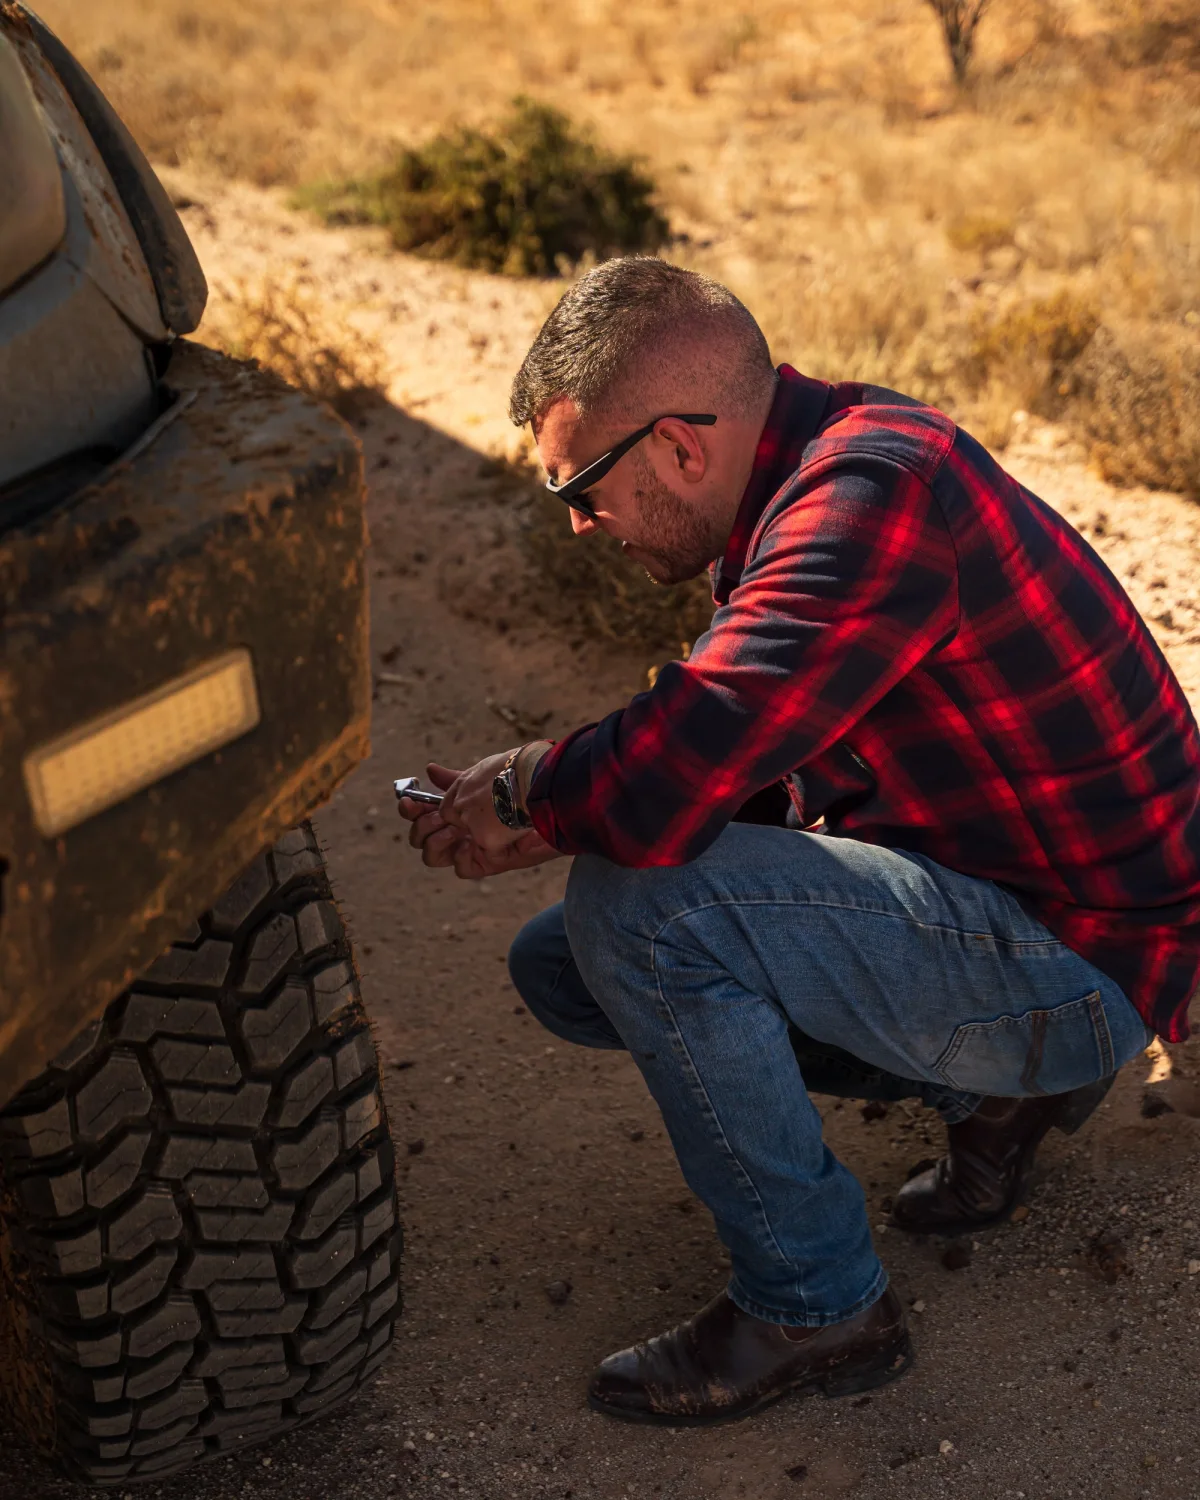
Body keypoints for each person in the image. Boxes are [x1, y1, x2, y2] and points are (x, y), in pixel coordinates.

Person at [398, 256, 1200, 1428]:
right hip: (1018, 907)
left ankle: (816, 1300)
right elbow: (754, 759)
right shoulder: (827, 469)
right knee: (564, 964)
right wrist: (567, 807)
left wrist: (532, 790)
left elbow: (694, 745)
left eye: (582, 489)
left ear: (678, 445)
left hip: (1083, 962)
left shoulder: (867, 499)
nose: (578, 525)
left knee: (639, 916)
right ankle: (995, 1100)